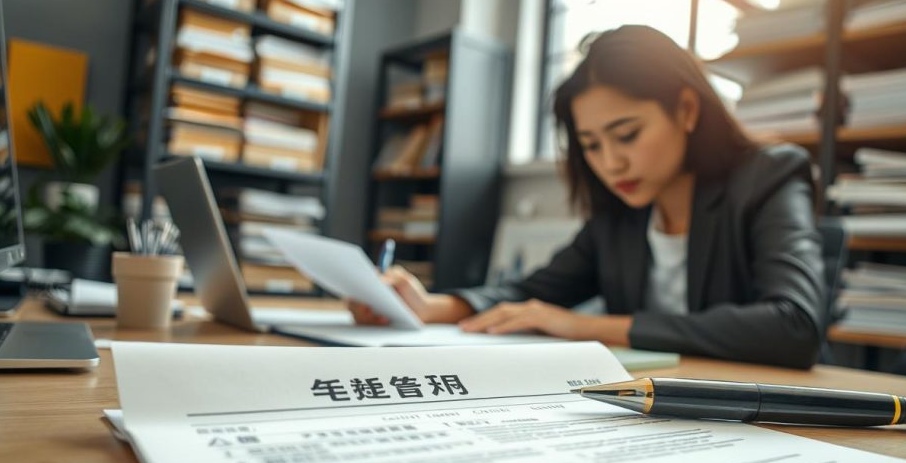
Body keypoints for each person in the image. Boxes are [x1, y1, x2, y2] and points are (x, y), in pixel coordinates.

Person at [352, 25, 824, 369]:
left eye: (627, 134)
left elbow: (793, 326)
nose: (610, 163)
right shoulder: (620, 212)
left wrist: (588, 327)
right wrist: (430, 306)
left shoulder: (769, 175)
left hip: (759, 408)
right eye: (592, 145)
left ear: (685, 109)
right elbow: (531, 295)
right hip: (655, 399)